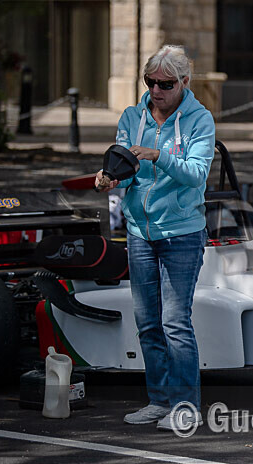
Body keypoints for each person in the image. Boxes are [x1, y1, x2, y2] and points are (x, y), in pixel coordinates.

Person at [95, 45, 215, 431]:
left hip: (181, 232)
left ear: (184, 82)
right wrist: (110, 178)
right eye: (151, 82)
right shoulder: (132, 116)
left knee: (175, 322)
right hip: (138, 232)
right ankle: (159, 400)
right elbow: (126, 168)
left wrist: (157, 155)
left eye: (166, 84)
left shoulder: (200, 120)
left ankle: (186, 406)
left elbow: (196, 174)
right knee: (148, 322)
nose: (157, 90)